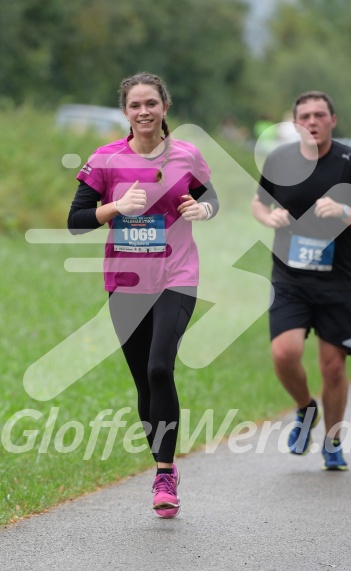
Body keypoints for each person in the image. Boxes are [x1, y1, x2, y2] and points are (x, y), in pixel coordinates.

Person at [68, 72, 219, 517]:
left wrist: (202, 208)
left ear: (165, 107)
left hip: (177, 275)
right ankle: (161, 463)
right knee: (142, 380)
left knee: (159, 368)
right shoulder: (105, 160)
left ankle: (165, 473)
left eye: (151, 103)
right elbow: (76, 220)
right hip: (126, 282)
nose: (144, 112)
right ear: (126, 112)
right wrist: (117, 207)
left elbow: (210, 199)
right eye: (135, 105)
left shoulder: (187, 156)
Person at [252, 90, 351, 471]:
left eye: (319, 115)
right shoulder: (279, 158)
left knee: (332, 367)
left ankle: (333, 442)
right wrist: (268, 218)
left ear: (333, 120)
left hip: (337, 282)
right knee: (284, 353)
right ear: (295, 123)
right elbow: (259, 202)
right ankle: (305, 408)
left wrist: (346, 210)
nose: (312, 121)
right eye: (305, 116)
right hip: (290, 278)